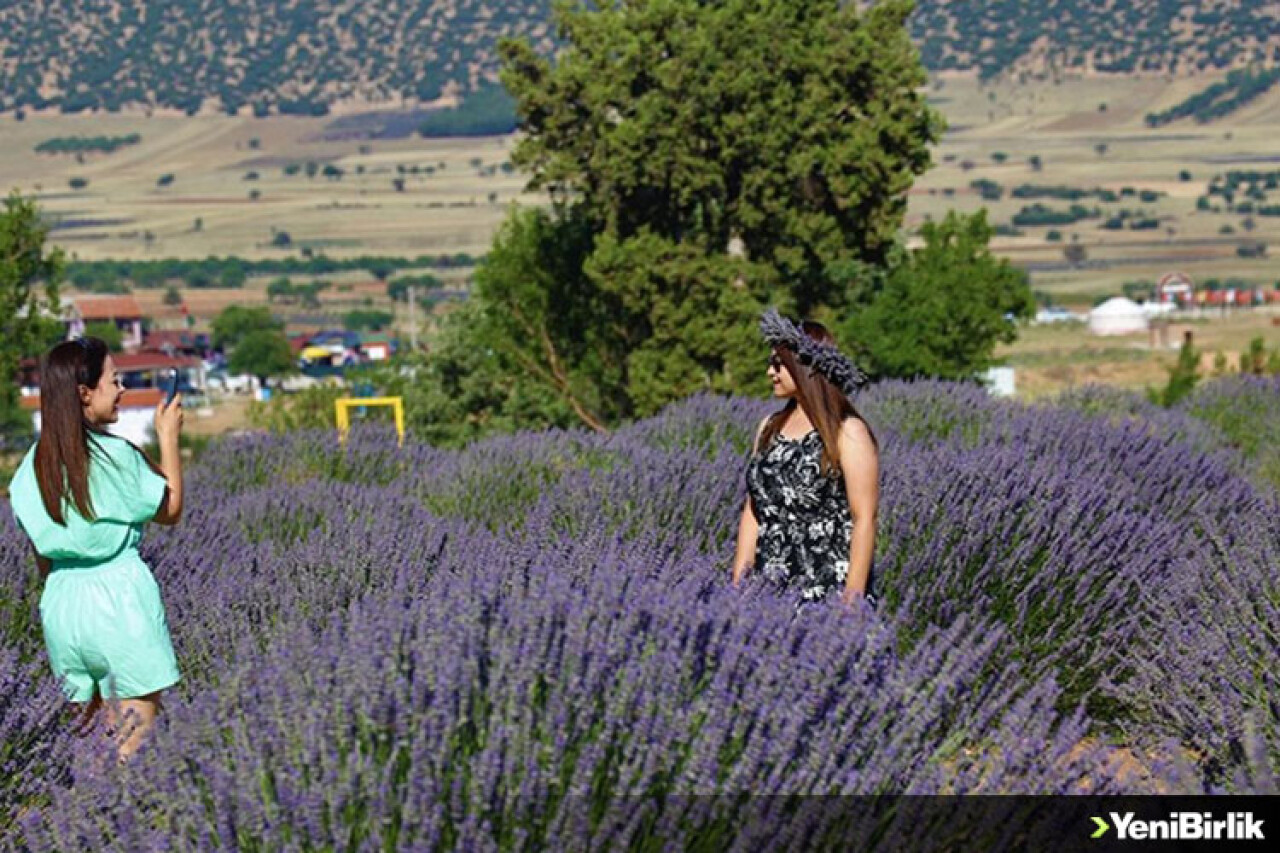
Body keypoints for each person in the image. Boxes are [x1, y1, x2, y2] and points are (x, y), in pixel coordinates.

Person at [7, 337, 185, 761]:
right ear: (86, 393)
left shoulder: (33, 465)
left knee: (90, 750)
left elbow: (41, 555)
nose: (122, 389)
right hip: (119, 599)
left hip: (63, 605)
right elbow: (171, 508)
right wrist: (169, 438)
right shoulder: (116, 455)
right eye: (115, 380)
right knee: (132, 754)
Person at [732, 310, 879, 608]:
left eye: (778, 364)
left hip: (826, 591)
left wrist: (851, 603)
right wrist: (737, 587)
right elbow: (753, 511)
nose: (770, 372)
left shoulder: (847, 432)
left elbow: (864, 519)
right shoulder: (769, 428)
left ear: (804, 367)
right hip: (769, 588)